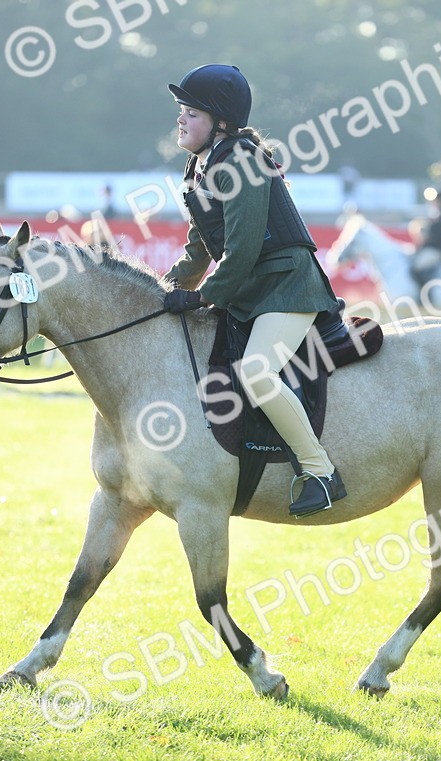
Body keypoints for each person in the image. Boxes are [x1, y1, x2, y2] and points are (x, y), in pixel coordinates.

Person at [161, 63, 346, 517]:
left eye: (192, 112)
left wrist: (204, 296)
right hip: (252, 291)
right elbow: (201, 247)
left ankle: (319, 471)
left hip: (287, 286)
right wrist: (166, 287)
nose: (181, 119)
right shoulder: (197, 168)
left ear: (221, 122)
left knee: (256, 372)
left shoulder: (241, 159)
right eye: (181, 110)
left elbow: (241, 250)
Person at [410, 186, 441, 287]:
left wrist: (424, 235)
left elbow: (434, 236)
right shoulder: (436, 216)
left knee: (417, 269)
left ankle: (426, 296)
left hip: (436, 250)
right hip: (430, 249)